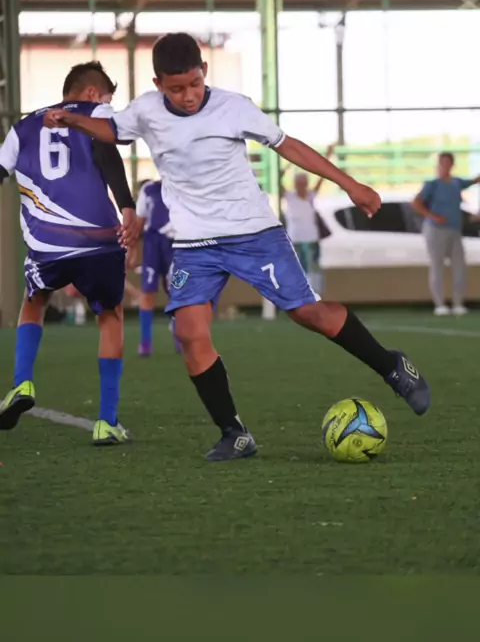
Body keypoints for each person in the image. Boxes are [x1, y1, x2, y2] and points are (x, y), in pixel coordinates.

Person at [44, 33, 431, 463]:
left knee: (309, 314)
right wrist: (73, 120)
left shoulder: (234, 107)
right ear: (158, 84)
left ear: (204, 72)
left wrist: (351, 185)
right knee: (189, 332)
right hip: (194, 243)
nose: (188, 96)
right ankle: (235, 433)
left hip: (253, 233)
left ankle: (391, 366)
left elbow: (289, 146)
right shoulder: (146, 111)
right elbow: (112, 130)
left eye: (194, 84)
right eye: (176, 88)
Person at [0, 61, 137, 445]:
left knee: (35, 301)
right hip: (99, 236)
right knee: (110, 316)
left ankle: (22, 382)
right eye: (107, 96)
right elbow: (108, 153)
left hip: (47, 242)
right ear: (93, 93)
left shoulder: (22, 127)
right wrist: (127, 205)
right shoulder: (97, 114)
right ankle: (106, 422)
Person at [412, 152, 480, 317]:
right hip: (436, 229)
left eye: (449, 162)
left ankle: (458, 303)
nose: (446, 165)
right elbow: (416, 202)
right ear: (439, 164)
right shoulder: (432, 184)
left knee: (459, 266)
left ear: (452, 164)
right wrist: (433, 216)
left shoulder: (457, 183)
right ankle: (440, 304)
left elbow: (473, 181)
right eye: (443, 163)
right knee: (437, 265)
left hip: (454, 230)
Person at [281, 144, 334, 294]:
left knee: (314, 266)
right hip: (296, 238)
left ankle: (316, 292)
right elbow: (277, 179)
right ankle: (300, 292)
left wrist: (328, 156)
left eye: (304, 183)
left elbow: (323, 175)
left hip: (311, 238)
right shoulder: (290, 197)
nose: (302, 186)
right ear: (295, 184)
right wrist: (289, 164)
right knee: (298, 266)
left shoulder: (311, 196)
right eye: (299, 183)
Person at [133, 179, 177, 356]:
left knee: (177, 290)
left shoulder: (182, 185)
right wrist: (132, 250)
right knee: (148, 290)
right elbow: (139, 221)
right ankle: (145, 343)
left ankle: (180, 337)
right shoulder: (149, 189)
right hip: (152, 244)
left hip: (176, 244)